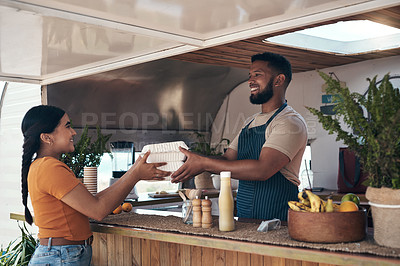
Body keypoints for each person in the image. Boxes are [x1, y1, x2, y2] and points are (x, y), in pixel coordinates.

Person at [21, 105, 170, 265]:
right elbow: (97, 210)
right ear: (47, 137)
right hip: (61, 257)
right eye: (67, 126)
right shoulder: (50, 168)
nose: (74, 132)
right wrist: (135, 175)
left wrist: (134, 170)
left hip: (61, 255)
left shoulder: (42, 166)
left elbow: (93, 201)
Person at [171, 52, 307, 221]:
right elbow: (227, 160)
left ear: (279, 80)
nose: (250, 81)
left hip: (277, 222)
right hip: (245, 219)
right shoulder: (249, 122)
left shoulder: (290, 122)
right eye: (250, 76)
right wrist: (193, 160)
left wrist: (204, 163)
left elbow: (262, 170)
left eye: (257, 75)